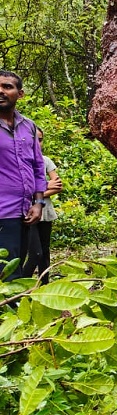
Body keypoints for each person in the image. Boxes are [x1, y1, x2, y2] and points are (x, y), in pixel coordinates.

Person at [0, 70, 47, 280]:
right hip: (2, 213)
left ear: (20, 93)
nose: (0, 91)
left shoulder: (28, 126)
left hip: (25, 213)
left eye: (7, 86)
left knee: (18, 269)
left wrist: (39, 203)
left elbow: (38, 167)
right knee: (6, 274)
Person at [22, 127, 63, 283]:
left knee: (44, 253)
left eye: (40, 139)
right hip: (28, 212)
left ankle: (44, 287)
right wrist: (46, 186)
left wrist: (38, 191)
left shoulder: (46, 161)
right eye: (34, 139)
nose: (37, 143)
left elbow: (58, 185)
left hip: (46, 212)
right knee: (35, 254)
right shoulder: (21, 161)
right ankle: (19, 288)